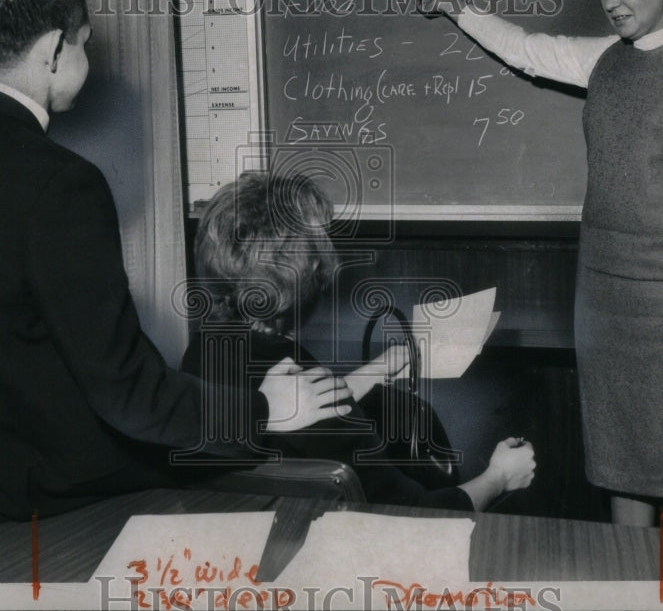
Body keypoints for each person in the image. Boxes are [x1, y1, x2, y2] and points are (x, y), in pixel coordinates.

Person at [0, 0, 352, 522]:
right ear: (52, 50)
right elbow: (126, 394)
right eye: (84, 43)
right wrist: (264, 409)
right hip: (41, 501)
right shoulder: (61, 183)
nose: (87, 59)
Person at [422, 0, 663, 552]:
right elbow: (528, 51)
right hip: (604, 303)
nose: (612, 2)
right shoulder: (605, 58)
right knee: (621, 468)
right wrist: (456, 6)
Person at [182, 170, 536, 511]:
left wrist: (377, 368)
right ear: (308, 275)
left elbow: (296, 428)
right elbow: (418, 513)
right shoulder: (304, 381)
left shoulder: (202, 353)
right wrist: (501, 476)